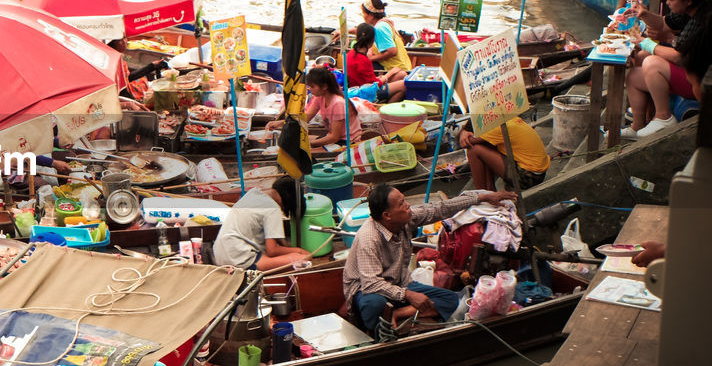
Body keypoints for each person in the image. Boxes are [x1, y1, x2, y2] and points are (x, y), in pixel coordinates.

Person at [343, 183, 516, 334]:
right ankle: (379, 331)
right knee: (374, 304)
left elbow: (440, 208)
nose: (408, 205)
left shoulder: (406, 219)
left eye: (405, 200)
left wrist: (482, 197)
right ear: (387, 215)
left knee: (451, 300)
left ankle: (397, 314)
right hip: (367, 291)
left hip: (399, 284)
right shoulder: (369, 237)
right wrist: (409, 294)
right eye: (402, 203)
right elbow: (371, 284)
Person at [622, 0, 707, 137]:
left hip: (700, 81)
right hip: (688, 72)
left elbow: (678, 56)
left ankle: (663, 117)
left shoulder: (700, 19)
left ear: (688, 1)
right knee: (633, 76)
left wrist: (645, 43)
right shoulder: (686, 12)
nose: (667, 2)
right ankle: (637, 126)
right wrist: (644, 14)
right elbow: (663, 24)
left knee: (650, 62)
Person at [213, 175, 313, 271]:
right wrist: (298, 250)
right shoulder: (273, 208)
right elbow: (272, 250)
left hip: (220, 254)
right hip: (237, 259)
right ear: (287, 202)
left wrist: (286, 245)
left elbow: (275, 235)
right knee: (305, 258)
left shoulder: (253, 193)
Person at [458, 117, 550, 189]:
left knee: (473, 150)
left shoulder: (500, 127)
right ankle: (490, 189)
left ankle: (481, 195)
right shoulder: (512, 119)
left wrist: (464, 132)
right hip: (538, 174)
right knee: (487, 145)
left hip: (529, 177)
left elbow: (466, 143)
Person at [299, 67, 361, 148]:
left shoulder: (338, 103)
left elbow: (334, 137)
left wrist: (309, 144)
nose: (310, 89)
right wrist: (283, 123)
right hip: (334, 138)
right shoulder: (320, 97)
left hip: (347, 142)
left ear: (324, 86)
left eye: (312, 86)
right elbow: (305, 118)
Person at [346, 23, 406, 103]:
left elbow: (368, 79)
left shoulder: (349, 54)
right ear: (372, 41)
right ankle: (385, 111)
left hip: (361, 86)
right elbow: (374, 86)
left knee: (401, 74)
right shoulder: (364, 60)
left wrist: (382, 77)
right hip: (365, 94)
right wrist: (389, 74)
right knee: (404, 85)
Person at [361, 0, 414, 74]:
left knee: (362, 65)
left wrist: (371, 58)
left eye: (364, 13)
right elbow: (365, 30)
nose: (363, 16)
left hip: (397, 69)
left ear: (371, 15)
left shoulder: (380, 28)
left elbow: (392, 51)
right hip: (403, 66)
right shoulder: (385, 23)